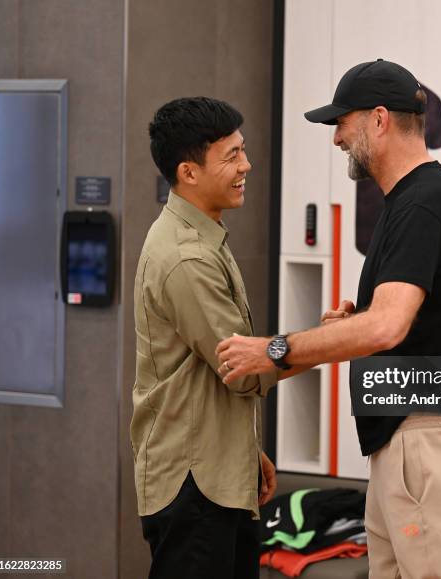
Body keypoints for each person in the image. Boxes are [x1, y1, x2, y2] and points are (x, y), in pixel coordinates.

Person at [216, 60, 441, 578]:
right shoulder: (408, 202)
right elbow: (394, 322)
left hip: (426, 440)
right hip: (407, 441)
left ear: (380, 120)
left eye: (342, 121)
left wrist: (274, 349)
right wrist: (349, 324)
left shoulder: (422, 204)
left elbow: (388, 326)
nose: (337, 137)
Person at [130, 96, 280, 579]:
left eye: (244, 150)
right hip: (195, 491)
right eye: (232, 156)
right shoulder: (186, 257)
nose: (247, 165)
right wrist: (329, 344)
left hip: (215, 476)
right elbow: (242, 370)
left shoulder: (203, 234)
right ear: (188, 172)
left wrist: (243, 448)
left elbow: (203, 373)